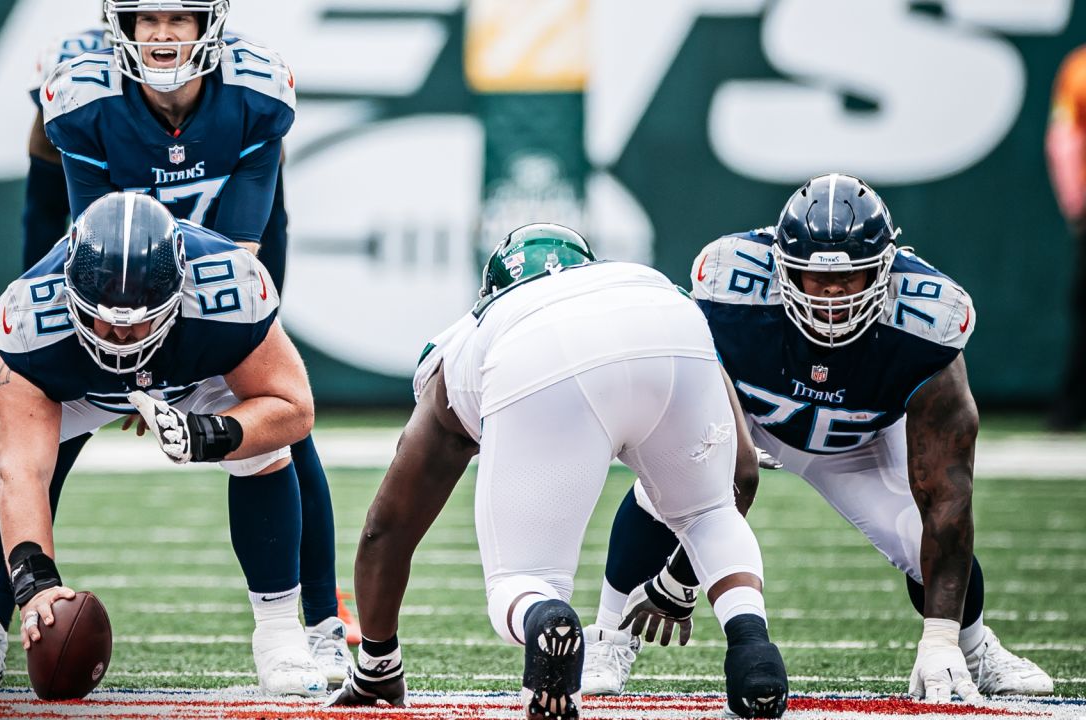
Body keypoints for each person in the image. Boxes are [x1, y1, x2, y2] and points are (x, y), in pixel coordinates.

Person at [579, 174, 1054, 702]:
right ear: (781, 267)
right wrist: (679, 577)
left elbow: (948, 498)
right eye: (812, 276)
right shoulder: (729, 289)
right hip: (749, 416)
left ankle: (966, 646)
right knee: (662, 487)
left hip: (862, 441)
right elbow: (733, 473)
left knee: (922, 531)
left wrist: (938, 636)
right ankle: (607, 634)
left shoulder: (928, 321)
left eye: (851, 278)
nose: (831, 293)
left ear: (885, 269)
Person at [0, 0, 354, 690]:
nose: (161, 35)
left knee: (277, 430)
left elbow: (243, 253)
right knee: (36, 438)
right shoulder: (79, 107)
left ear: (206, 26)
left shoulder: (251, 95)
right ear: (120, 31)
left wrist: (174, 358)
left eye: (178, 20)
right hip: (108, 285)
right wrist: (110, 347)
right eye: (146, 21)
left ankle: (318, 627)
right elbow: (66, 242)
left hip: (222, 271)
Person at [326, 224, 789, 720]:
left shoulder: (470, 334)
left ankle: (544, 618)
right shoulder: (644, 286)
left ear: (491, 293)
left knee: (523, 580)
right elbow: (742, 474)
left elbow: (385, 530)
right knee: (709, 512)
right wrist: (678, 584)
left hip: (541, 349)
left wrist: (376, 664)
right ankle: (752, 650)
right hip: (671, 325)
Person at [0, 192, 329, 697]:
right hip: (76, 386)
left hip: (192, 377)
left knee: (263, 449)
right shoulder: (32, 312)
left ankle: (280, 636)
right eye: (102, 318)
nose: (120, 335)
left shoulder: (230, 284)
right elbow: (24, 474)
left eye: (141, 318)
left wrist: (207, 434)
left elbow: (294, 408)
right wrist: (36, 584)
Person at [1046, 45, 1086, 432]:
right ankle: (1071, 405)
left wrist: (1075, 203)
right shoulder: (1078, 68)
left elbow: (1063, 139)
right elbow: (1066, 138)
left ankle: (1071, 407)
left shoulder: (1079, 67)